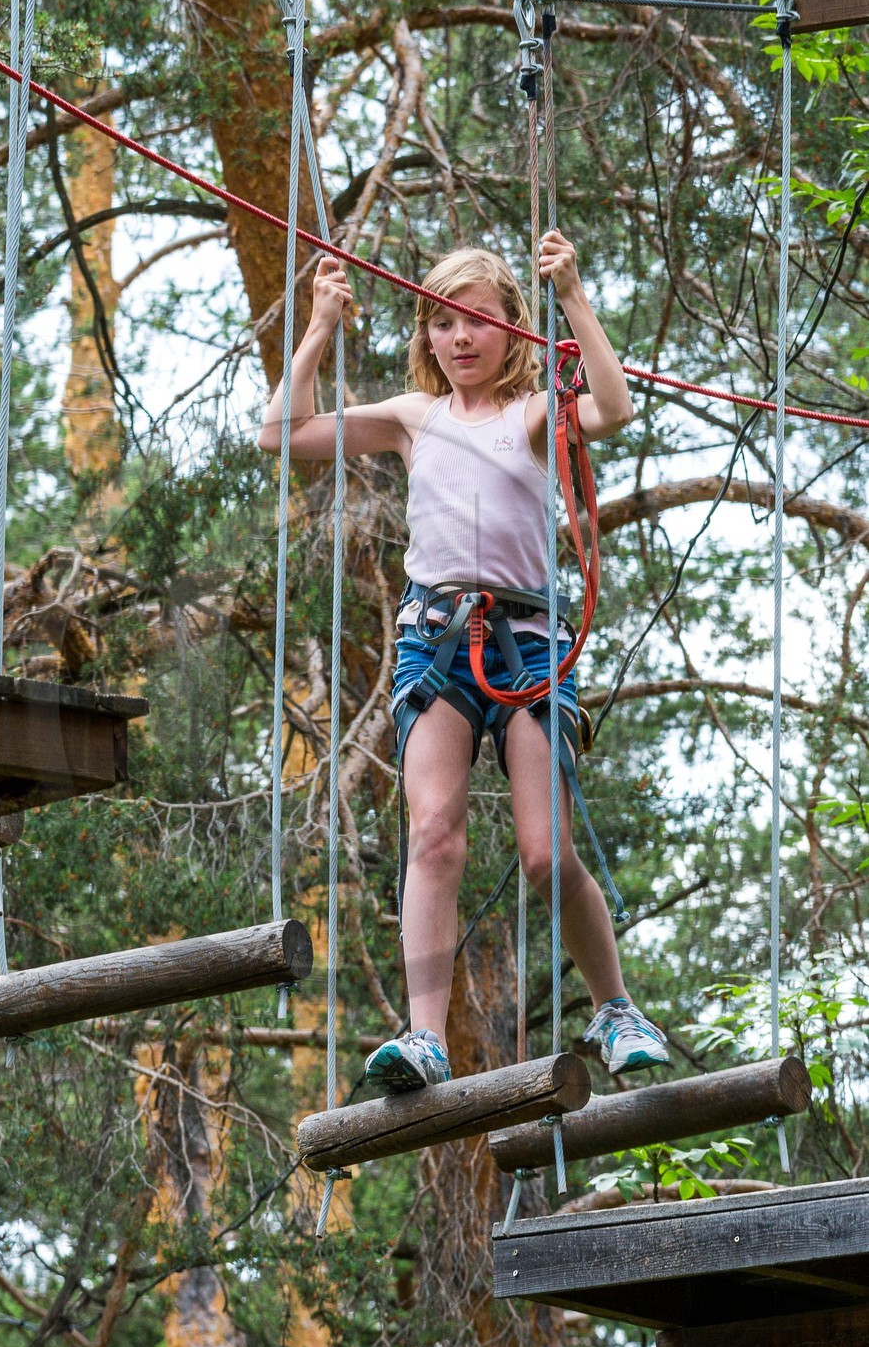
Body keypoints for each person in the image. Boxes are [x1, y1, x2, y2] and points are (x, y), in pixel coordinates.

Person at [258, 231, 669, 1090]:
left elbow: (613, 408)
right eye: (444, 323)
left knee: (543, 853)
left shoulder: (533, 412)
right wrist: (320, 328)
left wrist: (575, 299)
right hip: (437, 638)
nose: (460, 339)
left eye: (479, 322)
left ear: (512, 332)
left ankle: (616, 1007)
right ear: (426, 336)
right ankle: (424, 1035)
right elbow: (282, 434)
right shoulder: (415, 418)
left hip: (527, 645)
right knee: (434, 832)